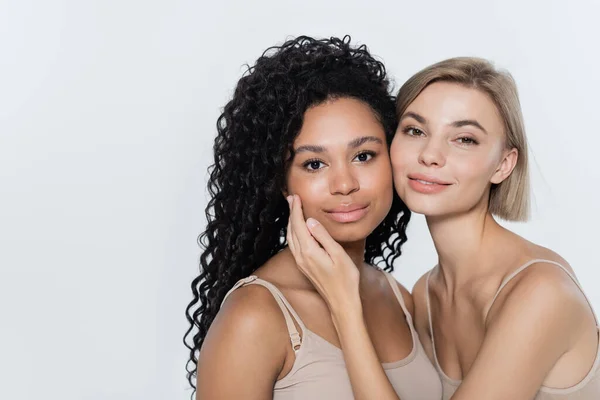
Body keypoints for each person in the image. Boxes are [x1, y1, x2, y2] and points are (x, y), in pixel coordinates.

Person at [288, 57, 600, 399]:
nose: (431, 155)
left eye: (464, 139)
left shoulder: (542, 292)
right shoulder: (424, 297)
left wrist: (345, 307)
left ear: (504, 164)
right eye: (415, 131)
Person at [184, 35, 442, 399]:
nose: (345, 183)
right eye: (314, 164)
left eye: (364, 155)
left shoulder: (397, 297)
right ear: (281, 182)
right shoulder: (255, 317)